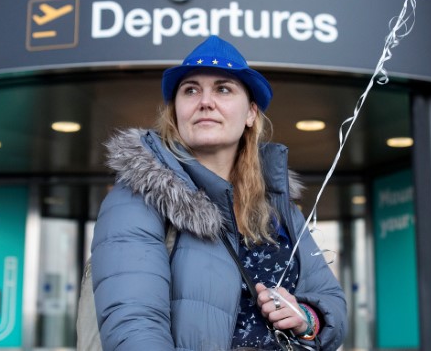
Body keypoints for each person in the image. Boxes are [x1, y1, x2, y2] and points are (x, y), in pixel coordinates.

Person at [90, 35, 347, 351]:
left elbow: (332, 301)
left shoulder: (278, 207)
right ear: (176, 112)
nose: (205, 101)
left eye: (223, 89)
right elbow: (133, 326)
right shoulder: (139, 196)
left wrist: (307, 318)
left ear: (251, 113)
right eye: (191, 90)